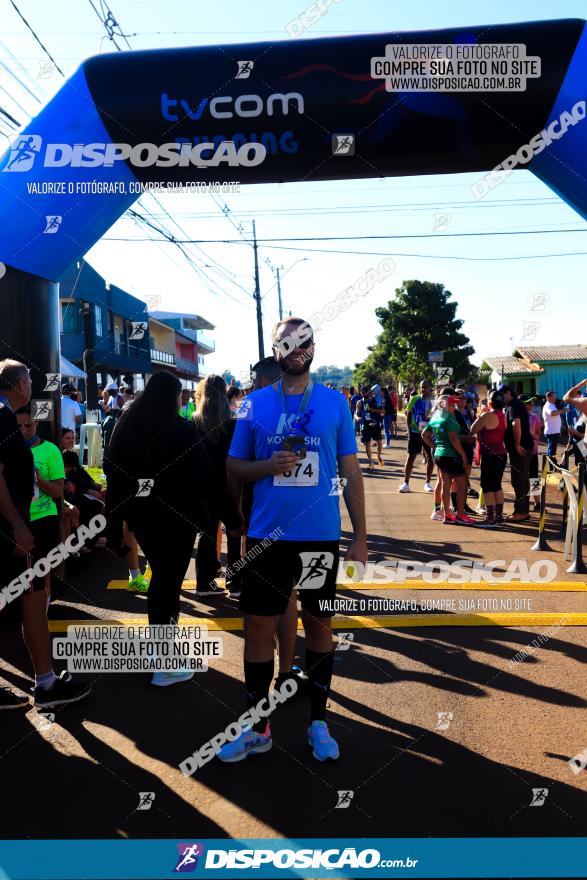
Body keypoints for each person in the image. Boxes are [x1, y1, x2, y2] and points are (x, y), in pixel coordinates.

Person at [218, 317, 367, 763]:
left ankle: (318, 722)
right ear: (275, 350)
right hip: (267, 538)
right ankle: (258, 727)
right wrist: (266, 467)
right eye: (289, 343)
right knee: (257, 629)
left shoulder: (335, 403)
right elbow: (233, 468)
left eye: (305, 341)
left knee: (319, 628)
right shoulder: (252, 405)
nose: (298, 350)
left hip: (319, 536)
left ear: (314, 348)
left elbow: (350, 471)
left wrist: (360, 536)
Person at [105, 370, 240, 687]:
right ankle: (164, 663)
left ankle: (162, 655)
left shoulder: (126, 427)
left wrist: (114, 529)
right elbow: (206, 479)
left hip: (143, 520)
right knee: (167, 587)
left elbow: (114, 481)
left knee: (160, 584)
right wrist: (230, 518)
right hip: (179, 522)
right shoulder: (180, 431)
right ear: (172, 396)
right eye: (179, 393)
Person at [0, 359, 91, 709]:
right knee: (34, 602)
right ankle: (46, 684)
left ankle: (46, 680)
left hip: (22, 527)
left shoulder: (9, 419)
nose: (31, 390)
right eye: (28, 384)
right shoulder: (2, 417)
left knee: (35, 599)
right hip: (17, 531)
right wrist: (18, 524)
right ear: (21, 386)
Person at [16, 407, 65, 602]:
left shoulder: (50, 450)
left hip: (43, 516)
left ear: (36, 423)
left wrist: (38, 479)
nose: (24, 430)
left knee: (42, 566)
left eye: (28, 425)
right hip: (17, 518)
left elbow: (58, 491)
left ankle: (45, 603)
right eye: (18, 426)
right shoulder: (7, 448)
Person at [193, 375, 236, 597]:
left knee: (207, 533)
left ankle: (205, 583)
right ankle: (237, 583)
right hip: (231, 485)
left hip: (202, 487)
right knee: (236, 532)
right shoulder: (233, 423)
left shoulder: (193, 422)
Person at [422, 395, 476, 525]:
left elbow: (424, 435)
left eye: (454, 404)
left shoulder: (435, 417)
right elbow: (453, 438)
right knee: (462, 485)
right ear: (444, 404)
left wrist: (435, 446)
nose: (454, 406)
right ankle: (461, 515)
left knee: (446, 485)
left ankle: (447, 514)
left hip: (439, 455)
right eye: (451, 404)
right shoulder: (450, 419)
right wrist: (463, 454)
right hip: (451, 456)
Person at [470, 391, 508, 527]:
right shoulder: (503, 416)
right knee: (496, 485)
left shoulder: (487, 415)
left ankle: (490, 517)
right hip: (501, 453)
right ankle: (498, 516)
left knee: (487, 486)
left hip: (490, 454)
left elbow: (472, 429)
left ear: (490, 402)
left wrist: (480, 415)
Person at [499, 384, 534, 522]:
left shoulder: (514, 405)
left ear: (508, 393)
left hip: (521, 449)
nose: (500, 398)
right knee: (523, 479)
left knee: (519, 480)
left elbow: (516, 424)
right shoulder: (516, 404)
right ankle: (524, 510)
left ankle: (521, 512)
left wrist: (517, 444)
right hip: (526, 447)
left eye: (502, 395)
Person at [399, 380, 434, 493]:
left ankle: (427, 483)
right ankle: (406, 483)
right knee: (411, 457)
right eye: (421, 387)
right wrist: (409, 431)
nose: (423, 389)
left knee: (430, 457)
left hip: (429, 433)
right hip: (415, 432)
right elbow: (408, 415)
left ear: (430, 388)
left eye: (425, 387)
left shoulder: (435, 401)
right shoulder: (414, 399)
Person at [521, 395, 542, 511]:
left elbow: (538, 432)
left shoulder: (535, 418)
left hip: (533, 451)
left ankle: (537, 502)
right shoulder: (516, 417)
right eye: (527, 403)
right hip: (521, 452)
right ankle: (524, 501)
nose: (530, 405)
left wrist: (534, 437)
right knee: (522, 477)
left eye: (530, 403)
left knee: (534, 477)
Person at [356, 386, 384, 469]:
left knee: (379, 443)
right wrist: (358, 418)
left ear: (369, 392)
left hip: (375, 424)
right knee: (367, 444)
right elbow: (356, 414)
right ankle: (371, 462)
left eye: (365, 391)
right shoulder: (359, 403)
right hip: (365, 425)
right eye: (362, 392)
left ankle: (378, 456)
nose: (364, 393)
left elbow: (383, 411)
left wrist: (372, 410)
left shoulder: (376, 401)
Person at [542, 390, 562, 464]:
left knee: (553, 449)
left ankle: (552, 464)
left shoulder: (552, 404)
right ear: (548, 397)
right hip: (551, 432)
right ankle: (552, 464)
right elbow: (552, 413)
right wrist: (563, 410)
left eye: (555, 397)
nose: (555, 398)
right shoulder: (548, 405)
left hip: (554, 431)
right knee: (552, 450)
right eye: (554, 397)